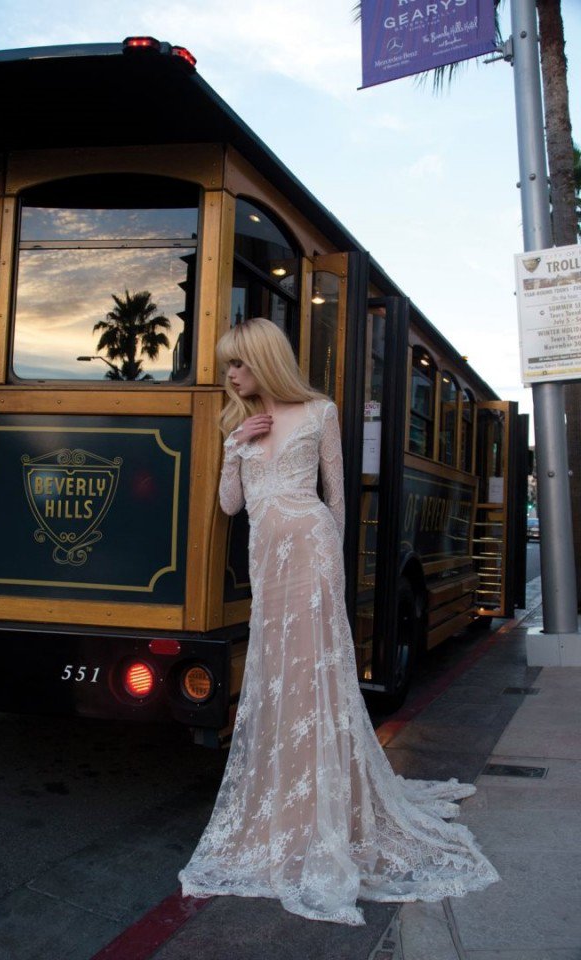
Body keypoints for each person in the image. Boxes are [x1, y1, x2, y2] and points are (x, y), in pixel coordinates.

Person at [179, 317, 498, 925]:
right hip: (267, 560)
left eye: (237, 365)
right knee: (281, 672)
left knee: (314, 671)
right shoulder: (238, 425)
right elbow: (229, 506)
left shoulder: (321, 412)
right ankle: (289, 796)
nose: (231, 377)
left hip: (311, 550)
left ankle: (324, 805)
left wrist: (336, 569)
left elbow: (337, 497)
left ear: (264, 360)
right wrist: (235, 445)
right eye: (228, 368)